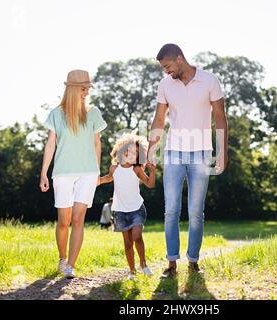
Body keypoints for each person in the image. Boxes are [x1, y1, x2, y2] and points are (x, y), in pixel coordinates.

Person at [148, 44, 228, 278]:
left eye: (168, 66)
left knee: (195, 210)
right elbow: (159, 119)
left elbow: (221, 118)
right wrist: (151, 150)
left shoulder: (210, 80)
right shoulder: (165, 85)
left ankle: (193, 261)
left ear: (179, 59)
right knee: (171, 209)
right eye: (163, 68)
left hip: (202, 152)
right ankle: (172, 263)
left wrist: (223, 152)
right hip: (173, 152)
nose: (166, 72)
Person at [39, 69, 107, 279]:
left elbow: (97, 144)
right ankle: (62, 258)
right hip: (63, 172)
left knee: (78, 220)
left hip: (88, 173)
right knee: (63, 221)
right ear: (72, 89)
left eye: (88, 88)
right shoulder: (56, 114)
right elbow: (50, 145)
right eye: (84, 88)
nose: (87, 92)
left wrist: (97, 171)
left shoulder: (93, 112)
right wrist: (43, 173)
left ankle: (71, 265)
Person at [98, 133, 155, 279]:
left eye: (136, 153)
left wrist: (152, 171)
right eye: (129, 151)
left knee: (137, 236)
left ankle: (144, 265)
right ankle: (132, 271)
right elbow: (108, 178)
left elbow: (150, 184)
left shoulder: (136, 169)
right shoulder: (114, 168)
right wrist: (96, 181)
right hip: (119, 211)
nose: (132, 154)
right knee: (128, 243)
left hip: (137, 208)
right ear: (123, 151)